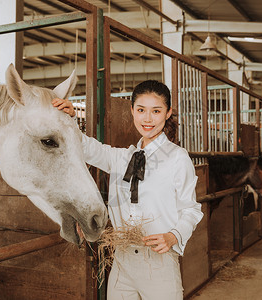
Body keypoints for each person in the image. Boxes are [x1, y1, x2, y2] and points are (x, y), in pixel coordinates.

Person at [52, 80, 203, 300]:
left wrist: (173, 236)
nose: (147, 119)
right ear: (132, 111)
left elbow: (191, 209)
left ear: (168, 113)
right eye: (141, 110)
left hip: (158, 263)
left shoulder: (177, 158)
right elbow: (86, 147)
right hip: (122, 261)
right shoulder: (122, 157)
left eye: (156, 111)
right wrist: (70, 120)